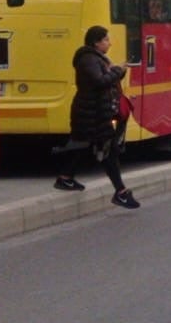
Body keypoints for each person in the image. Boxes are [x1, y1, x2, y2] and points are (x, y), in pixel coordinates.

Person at [54, 25, 140, 208]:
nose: (110, 43)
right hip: (91, 113)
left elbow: (106, 80)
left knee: (86, 146)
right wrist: (116, 71)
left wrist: (119, 71)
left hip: (95, 113)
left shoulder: (96, 58)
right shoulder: (88, 59)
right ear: (96, 42)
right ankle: (121, 192)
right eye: (106, 40)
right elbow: (99, 81)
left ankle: (66, 177)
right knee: (107, 151)